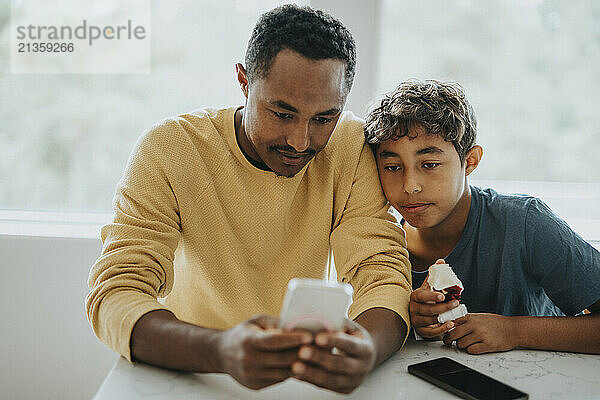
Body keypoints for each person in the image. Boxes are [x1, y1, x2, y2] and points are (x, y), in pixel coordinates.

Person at [86, 5, 412, 394]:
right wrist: (219, 350)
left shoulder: (350, 146)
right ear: (244, 81)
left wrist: (368, 349)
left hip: (303, 380)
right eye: (281, 113)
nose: (300, 141)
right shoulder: (169, 149)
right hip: (188, 372)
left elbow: (382, 272)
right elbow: (116, 292)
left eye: (324, 119)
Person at [364, 79, 600, 355]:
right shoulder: (379, 249)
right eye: (392, 167)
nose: (410, 185)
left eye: (429, 164)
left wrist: (514, 331)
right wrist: (412, 323)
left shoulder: (524, 223)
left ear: (470, 161)